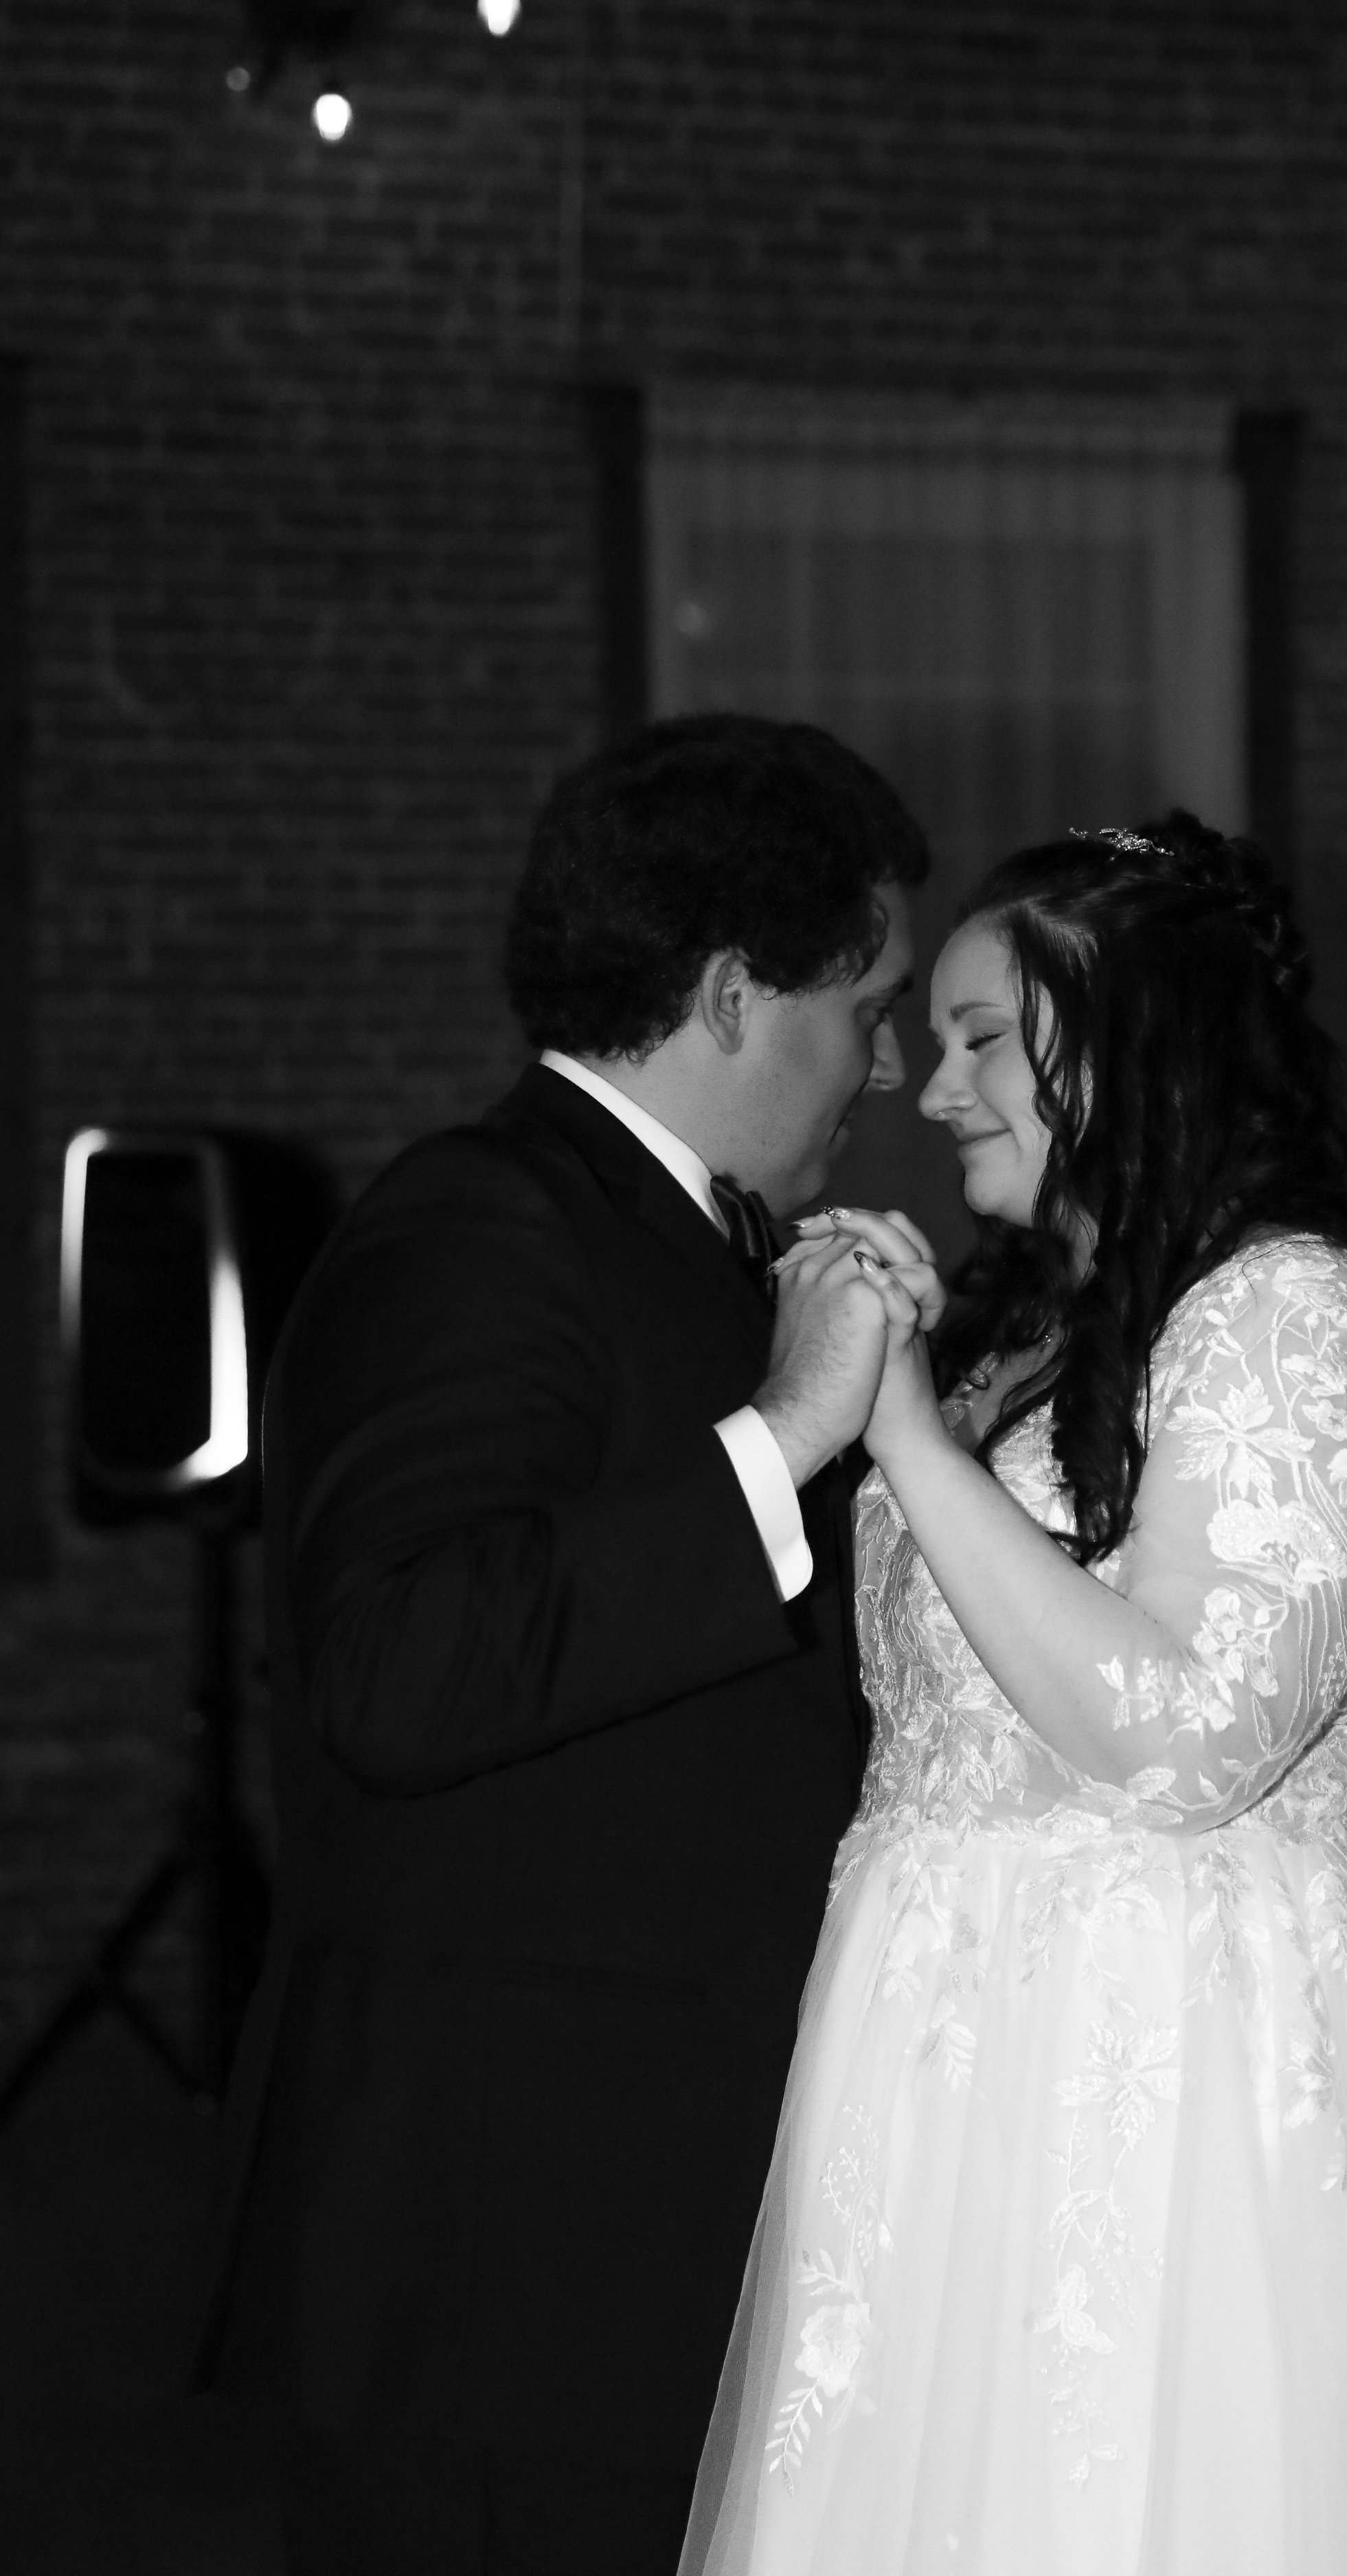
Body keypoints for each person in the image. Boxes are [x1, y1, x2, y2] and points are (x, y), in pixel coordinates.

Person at [680, 820, 1347, 2574]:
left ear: (1136, 1029)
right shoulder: (1033, 1331)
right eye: (935, 1042)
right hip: (951, 2104)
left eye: (984, 1038)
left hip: (1199, 2111)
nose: (933, 1093)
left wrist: (910, 1444)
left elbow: (1184, 1741)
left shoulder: (1292, 1314)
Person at [191, 713, 936, 2576]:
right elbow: (401, 1661)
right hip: (504, 2248)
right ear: (726, 991)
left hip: (619, 2226)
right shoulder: (477, 1224)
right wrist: (781, 1434)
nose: (896, 1063)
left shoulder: (673, 1239)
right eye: (865, 1002)